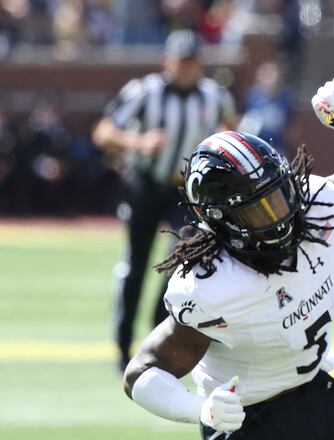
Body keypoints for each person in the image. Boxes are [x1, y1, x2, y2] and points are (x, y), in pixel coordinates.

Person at [122, 77, 334, 440]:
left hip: (314, 395)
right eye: (261, 209)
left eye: (281, 193)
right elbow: (142, 372)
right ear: (223, 221)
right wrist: (201, 409)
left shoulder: (316, 206)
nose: (283, 213)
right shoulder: (212, 286)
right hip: (247, 421)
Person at [92, 29, 239, 372]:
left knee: (182, 261)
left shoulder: (214, 96)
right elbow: (103, 132)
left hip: (184, 190)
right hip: (145, 183)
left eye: (191, 63)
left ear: (199, 65)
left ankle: (158, 333)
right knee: (136, 265)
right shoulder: (145, 91)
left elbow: (233, 128)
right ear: (167, 62)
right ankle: (122, 344)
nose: (185, 69)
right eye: (180, 62)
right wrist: (137, 142)